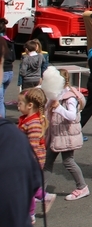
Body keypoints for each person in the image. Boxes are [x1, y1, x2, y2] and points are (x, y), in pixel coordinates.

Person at [44, 69, 89, 201]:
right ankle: (40, 191)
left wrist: (58, 107)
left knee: (68, 161)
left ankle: (82, 187)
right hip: (58, 134)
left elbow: (71, 115)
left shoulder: (69, 97)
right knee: (48, 162)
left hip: (67, 135)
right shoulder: (57, 94)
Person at [16, 87, 54, 220]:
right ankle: (45, 197)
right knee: (29, 186)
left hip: (32, 161)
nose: (17, 105)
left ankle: (31, 214)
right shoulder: (28, 120)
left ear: (30, 105)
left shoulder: (33, 124)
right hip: (28, 160)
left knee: (28, 189)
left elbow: (32, 146)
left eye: (20, 103)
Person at [0, 20, 14, 118]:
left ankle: (2, 121)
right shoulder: (9, 40)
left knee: (0, 99)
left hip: (3, 71)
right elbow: (13, 57)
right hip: (10, 71)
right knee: (1, 98)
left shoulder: (1, 41)